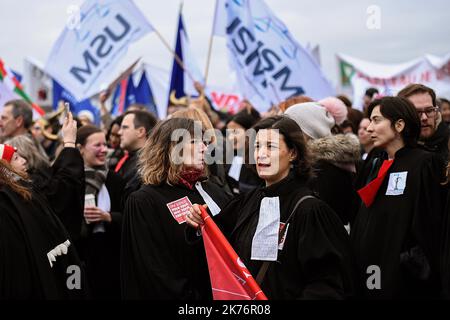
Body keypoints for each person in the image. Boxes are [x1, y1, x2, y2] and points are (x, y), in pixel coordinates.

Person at [187, 116, 355, 299]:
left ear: (293, 153)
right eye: (257, 146)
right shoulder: (247, 202)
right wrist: (198, 222)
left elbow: (326, 283)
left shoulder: (310, 210)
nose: (261, 154)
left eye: (270, 147)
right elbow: (217, 246)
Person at [121, 118, 231, 299]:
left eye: (204, 142)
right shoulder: (144, 200)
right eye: (195, 142)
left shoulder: (212, 190)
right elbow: (153, 271)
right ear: (172, 148)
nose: (204, 148)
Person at [351, 96, 444, 299]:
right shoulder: (375, 164)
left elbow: (431, 227)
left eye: (377, 120)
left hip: (404, 284)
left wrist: (405, 265)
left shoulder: (425, 164)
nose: (369, 128)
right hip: (371, 274)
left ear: (399, 125)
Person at [0, 113, 87, 299]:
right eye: (15, 159)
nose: (24, 161)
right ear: (3, 169)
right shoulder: (9, 201)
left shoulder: (27, 190)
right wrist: (69, 144)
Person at [285, 102, 360, 227]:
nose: (285, 133)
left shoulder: (324, 167)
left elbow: (324, 219)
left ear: (309, 132)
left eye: (291, 128)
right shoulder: (309, 161)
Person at [75, 125, 125, 299]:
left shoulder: (115, 179)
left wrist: (109, 217)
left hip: (111, 254)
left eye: (105, 144)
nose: (104, 150)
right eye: (97, 145)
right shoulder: (69, 180)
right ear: (80, 149)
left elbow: (130, 218)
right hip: (81, 255)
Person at [398, 83, 449, 166]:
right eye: (417, 112)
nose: (424, 118)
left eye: (429, 111)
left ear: (436, 112)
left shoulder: (448, 143)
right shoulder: (392, 152)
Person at [224, 110, 263, 195]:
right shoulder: (227, 157)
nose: (230, 138)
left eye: (235, 132)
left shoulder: (258, 160)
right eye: (228, 133)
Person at [116, 110, 157, 185]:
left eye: (125, 127)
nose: (119, 132)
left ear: (141, 131)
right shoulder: (129, 157)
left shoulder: (149, 163)